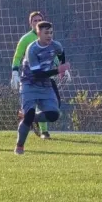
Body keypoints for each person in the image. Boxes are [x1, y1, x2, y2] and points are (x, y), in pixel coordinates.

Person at [15, 21, 70, 155]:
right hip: (29, 84)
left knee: (54, 115)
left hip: (45, 85)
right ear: (38, 33)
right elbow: (37, 74)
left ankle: (29, 117)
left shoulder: (55, 45)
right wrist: (58, 70)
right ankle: (19, 146)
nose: (49, 35)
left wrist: (62, 67)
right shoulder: (32, 49)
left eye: (51, 32)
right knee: (29, 115)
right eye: (46, 33)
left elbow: (61, 53)